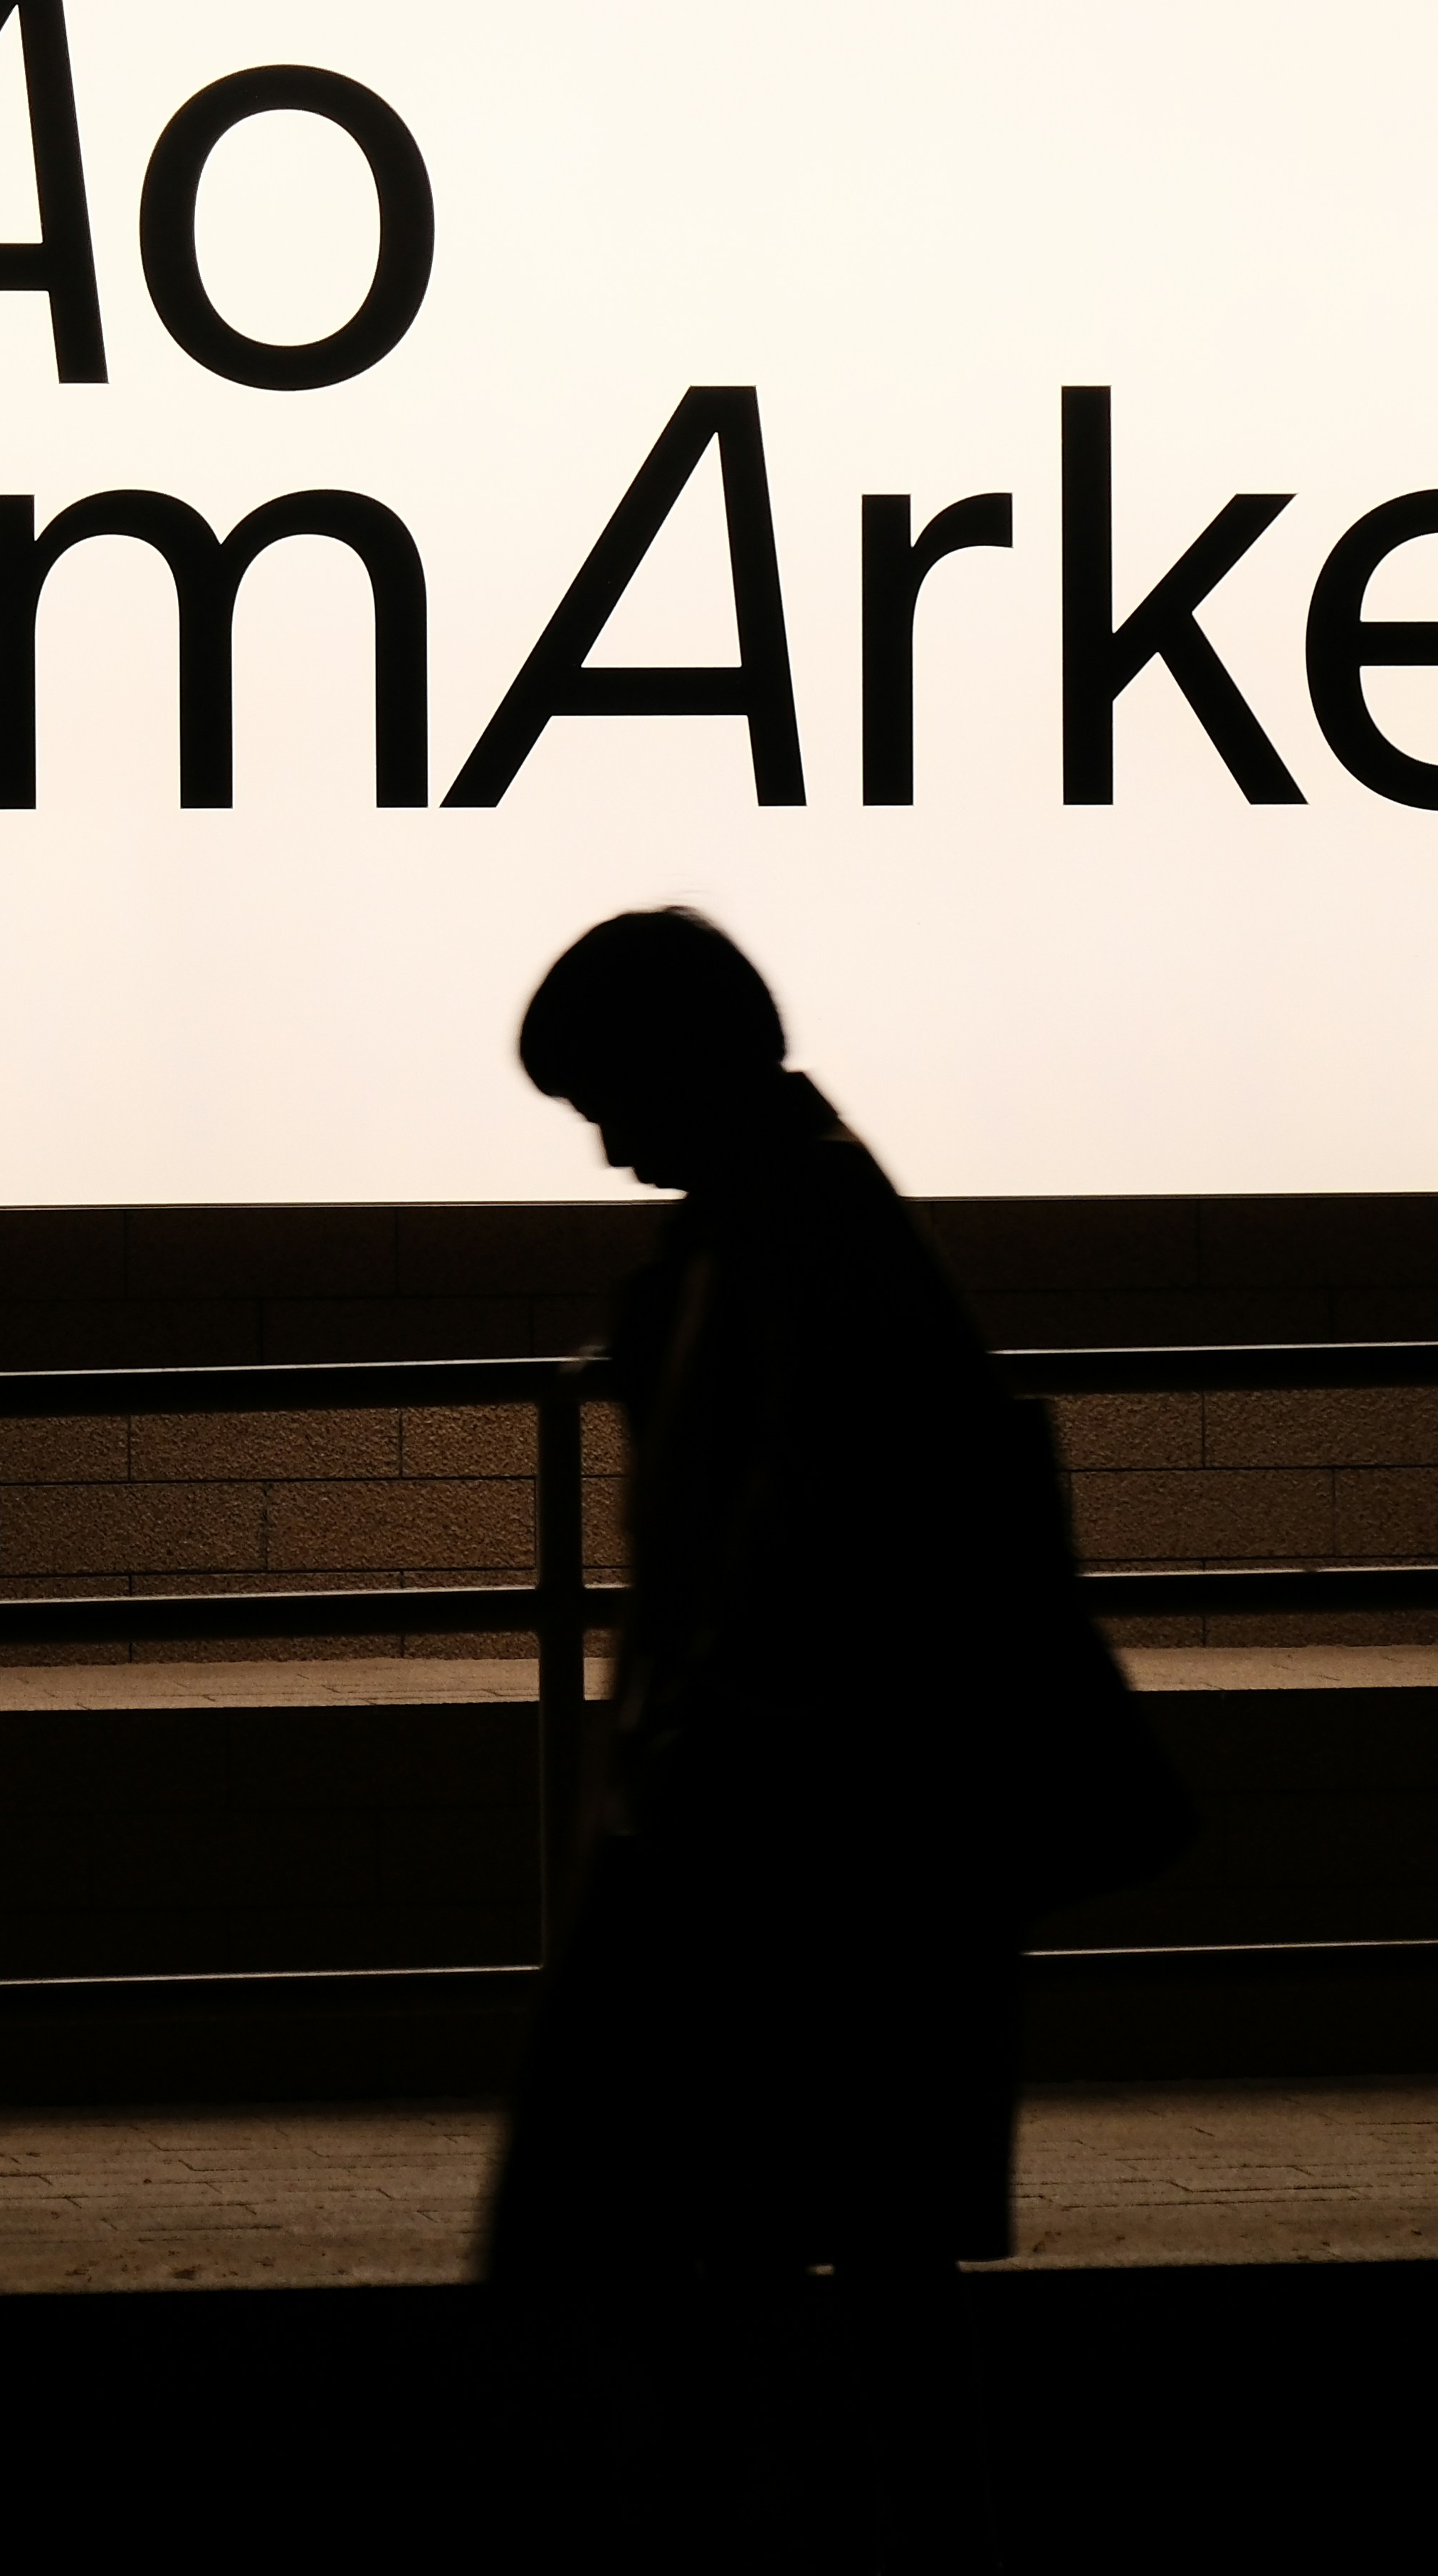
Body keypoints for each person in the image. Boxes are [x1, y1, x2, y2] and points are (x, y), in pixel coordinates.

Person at [483, 909, 1187, 2299]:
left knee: (742, 2232)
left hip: (799, 1825)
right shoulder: (811, 1218)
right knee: (868, 2243)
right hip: (876, 1835)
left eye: (609, 1102)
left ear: (677, 1067)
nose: (612, 1149)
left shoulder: (776, 1242)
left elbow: (787, 1539)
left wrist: (675, 1767)